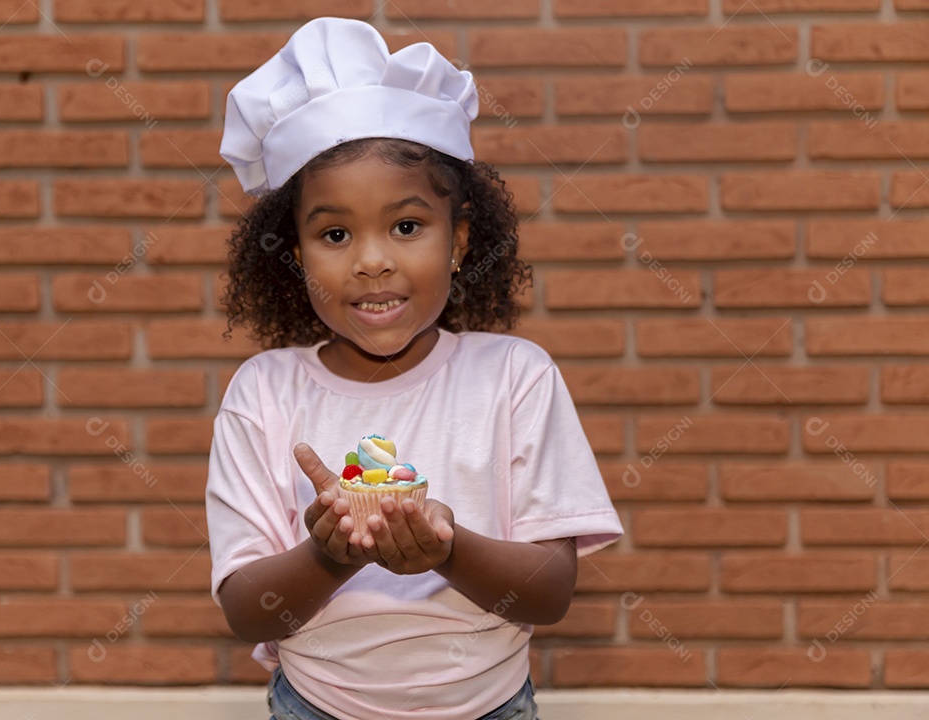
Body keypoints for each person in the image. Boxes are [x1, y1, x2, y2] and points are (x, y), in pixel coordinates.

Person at [207, 17, 623, 720]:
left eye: (406, 226)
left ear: (459, 240)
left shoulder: (515, 377)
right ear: (297, 255)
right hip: (317, 706)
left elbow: (550, 592)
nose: (372, 260)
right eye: (335, 234)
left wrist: (445, 547)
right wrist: (330, 555)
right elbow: (250, 613)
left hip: (489, 705)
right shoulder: (264, 394)